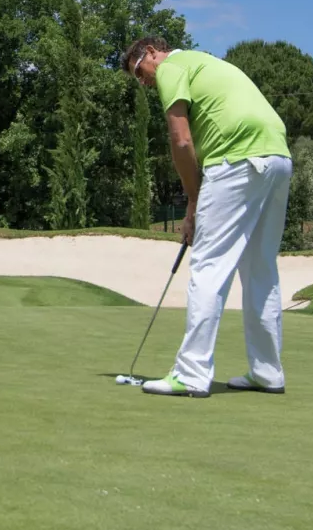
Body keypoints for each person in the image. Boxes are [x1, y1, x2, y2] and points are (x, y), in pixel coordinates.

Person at [124, 37, 293, 398]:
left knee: (208, 265)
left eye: (140, 71)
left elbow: (182, 141)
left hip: (237, 161)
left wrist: (195, 200)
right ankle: (268, 372)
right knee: (260, 268)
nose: (143, 82)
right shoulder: (205, 63)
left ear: (152, 52)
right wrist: (194, 205)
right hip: (278, 158)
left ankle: (191, 373)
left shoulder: (171, 67)